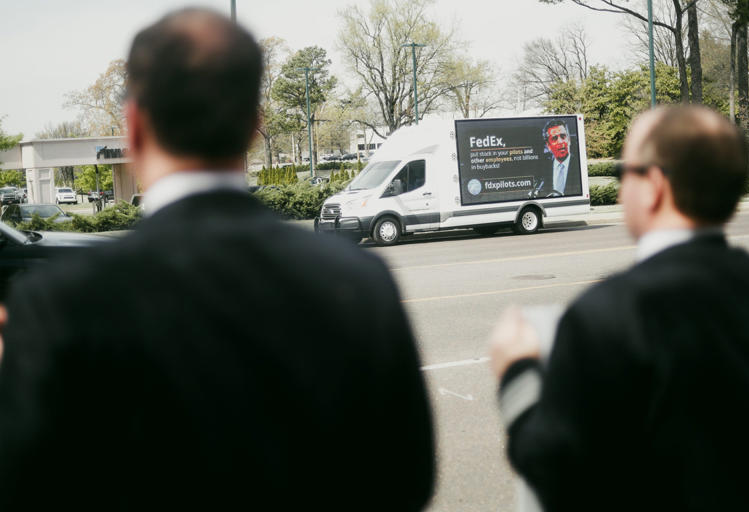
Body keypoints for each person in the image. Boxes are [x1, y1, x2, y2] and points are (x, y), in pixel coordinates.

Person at [0, 9, 434, 510]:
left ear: (135, 127)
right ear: (254, 126)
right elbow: (406, 479)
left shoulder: (58, 304)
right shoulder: (359, 280)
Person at [490, 105, 749, 511]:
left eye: (626, 173)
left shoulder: (604, 316)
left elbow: (555, 472)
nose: (621, 191)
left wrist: (516, 373)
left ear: (654, 186)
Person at [539, 119, 581, 196]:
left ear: (569, 140)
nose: (560, 142)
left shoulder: (579, 165)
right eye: (554, 138)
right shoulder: (544, 170)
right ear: (548, 145)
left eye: (563, 136)